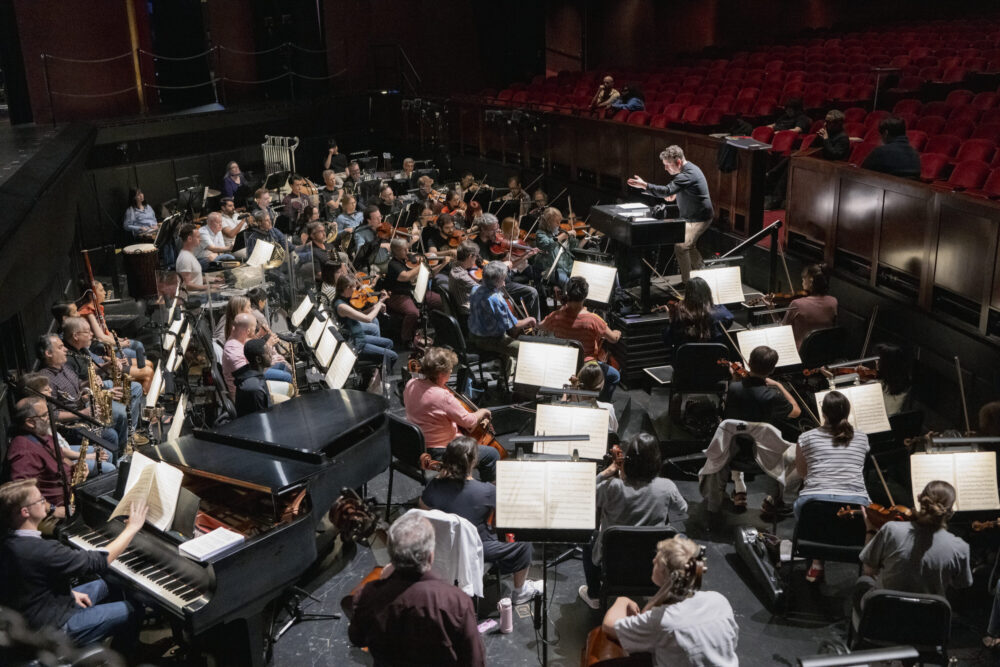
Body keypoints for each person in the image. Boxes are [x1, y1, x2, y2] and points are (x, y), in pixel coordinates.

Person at [0, 478, 147, 652]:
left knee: (110, 583)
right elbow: (97, 561)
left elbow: (28, 582)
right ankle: (127, 654)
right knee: (134, 609)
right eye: (40, 500)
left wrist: (68, 592)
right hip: (52, 627)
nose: (45, 503)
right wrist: (131, 529)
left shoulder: (8, 541)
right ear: (25, 512)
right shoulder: (42, 550)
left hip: (36, 612)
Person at [348, 512, 485, 667]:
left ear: (391, 554)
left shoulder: (369, 595)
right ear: (431, 555)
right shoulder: (455, 601)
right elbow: (474, 660)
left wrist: (381, 583)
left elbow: (357, 638)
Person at [420, 437, 543, 604]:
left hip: (442, 546)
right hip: (475, 547)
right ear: (473, 461)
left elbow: (423, 508)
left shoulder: (433, 485)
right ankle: (521, 591)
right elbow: (507, 517)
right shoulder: (486, 491)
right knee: (521, 538)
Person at [580, 432, 687, 609]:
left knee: (589, 538)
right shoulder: (667, 487)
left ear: (628, 459)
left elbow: (584, 492)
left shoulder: (611, 487)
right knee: (681, 538)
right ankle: (672, 593)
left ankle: (594, 595)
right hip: (651, 562)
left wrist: (608, 472)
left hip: (613, 563)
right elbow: (683, 509)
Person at [601, 535, 738, 666]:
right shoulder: (719, 600)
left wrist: (622, 599)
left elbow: (608, 626)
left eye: (657, 559)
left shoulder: (662, 620)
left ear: (663, 573)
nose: (653, 560)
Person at [856, 480, 971, 616]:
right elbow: (962, 583)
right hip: (927, 622)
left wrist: (870, 530)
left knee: (864, 582)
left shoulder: (891, 529)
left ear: (920, 500)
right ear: (950, 512)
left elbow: (869, 569)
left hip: (884, 616)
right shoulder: (960, 547)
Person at [713, 345, 802, 514]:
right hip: (763, 456)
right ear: (772, 369)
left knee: (739, 429)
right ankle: (777, 499)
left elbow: (738, 396)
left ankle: (739, 487)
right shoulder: (772, 397)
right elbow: (796, 411)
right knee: (803, 453)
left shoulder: (732, 388)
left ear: (748, 362)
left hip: (734, 450)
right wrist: (778, 385)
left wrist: (736, 379)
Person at [795, 390, 871, 582]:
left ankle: (817, 560)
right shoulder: (862, 438)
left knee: (815, 513)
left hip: (813, 504)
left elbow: (802, 474)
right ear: (847, 412)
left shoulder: (806, 438)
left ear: (824, 414)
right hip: (856, 505)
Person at [403, 347, 500, 482]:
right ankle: (484, 492)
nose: (450, 373)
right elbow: (469, 421)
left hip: (416, 448)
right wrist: (482, 411)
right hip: (439, 453)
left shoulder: (411, 383)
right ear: (441, 374)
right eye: (450, 371)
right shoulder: (442, 396)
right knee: (492, 454)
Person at [628, 146, 714, 283]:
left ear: (678, 162)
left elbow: (667, 190)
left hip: (699, 218)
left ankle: (688, 284)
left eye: (668, 165)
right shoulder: (688, 170)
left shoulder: (688, 174)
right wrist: (675, 192)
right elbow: (679, 188)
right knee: (689, 246)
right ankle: (702, 274)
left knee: (681, 247)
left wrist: (644, 185)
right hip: (691, 216)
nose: (666, 168)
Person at [36, 334, 122, 457]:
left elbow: (79, 385)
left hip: (83, 412)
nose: (66, 349)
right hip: (71, 427)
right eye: (60, 347)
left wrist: (95, 385)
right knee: (111, 435)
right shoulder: (45, 379)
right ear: (48, 353)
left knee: (118, 418)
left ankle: (120, 458)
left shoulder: (65, 367)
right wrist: (84, 413)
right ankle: (115, 470)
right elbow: (52, 414)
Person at [540, 276, 622, 400]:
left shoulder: (555, 316)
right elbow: (613, 339)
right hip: (586, 367)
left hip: (563, 363)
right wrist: (617, 332)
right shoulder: (593, 319)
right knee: (615, 376)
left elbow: (541, 327)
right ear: (585, 296)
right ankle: (601, 403)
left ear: (568, 294)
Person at [76, 279, 154, 393]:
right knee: (147, 369)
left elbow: (106, 332)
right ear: (91, 294)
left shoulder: (98, 309)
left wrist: (119, 340)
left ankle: (140, 385)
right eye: (101, 290)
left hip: (108, 355)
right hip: (103, 354)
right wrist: (120, 346)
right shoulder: (88, 312)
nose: (104, 293)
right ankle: (142, 395)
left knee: (149, 363)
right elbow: (101, 338)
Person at [6, 398, 76, 516]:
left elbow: (61, 459)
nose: (49, 417)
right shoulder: (24, 451)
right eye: (45, 415)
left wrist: (75, 467)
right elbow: (22, 491)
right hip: (53, 511)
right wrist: (53, 509)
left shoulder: (42, 434)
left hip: (70, 496)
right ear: (30, 422)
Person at [468, 261, 536, 378]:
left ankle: (506, 374)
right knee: (526, 350)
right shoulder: (496, 300)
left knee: (508, 351)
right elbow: (513, 325)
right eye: (503, 279)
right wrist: (529, 319)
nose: (504, 283)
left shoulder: (475, 289)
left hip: (473, 334)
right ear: (497, 281)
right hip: (489, 340)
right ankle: (522, 380)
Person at [472, 213, 540, 318]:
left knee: (533, 292)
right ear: (483, 230)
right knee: (531, 292)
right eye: (493, 230)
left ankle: (534, 326)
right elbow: (482, 273)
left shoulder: (496, 243)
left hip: (506, 281)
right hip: (495, 286)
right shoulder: (475, 247)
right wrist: (501, 265)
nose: (498, 232)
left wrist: (526, 256)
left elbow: (510, 265)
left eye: (497, 228)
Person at [384, 237, 444, 347]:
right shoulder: (393, 264)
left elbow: (429, 274)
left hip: (418, 291)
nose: (408, 252)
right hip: (399, 295)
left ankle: (442, 332)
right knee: (413, 312)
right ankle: (406, 339)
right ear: (396, 251)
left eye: (408, 248)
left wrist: (443, 264)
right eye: (404, 250)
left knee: (441, 301)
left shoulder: (411, 258)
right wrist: (422, 266)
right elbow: (405, 276)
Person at [332, 274, 398, 369]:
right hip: (356, 344)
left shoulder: (344, 300)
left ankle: (378, 366)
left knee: (389, 343)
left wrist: (379, 303)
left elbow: (362, 314)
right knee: (393, 356)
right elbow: (368, 319)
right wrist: (379, 304)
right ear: (347, 288)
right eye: (354, 287)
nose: (356, 289)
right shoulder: (341, 306)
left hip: (359, 337)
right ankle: (380, 376)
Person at [222, 313, 292, 396]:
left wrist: (259, 334)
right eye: (254, 329)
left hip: (254, 380)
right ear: (248, 331)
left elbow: (251, 348)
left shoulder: (239, 337)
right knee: (287, 378)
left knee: (282, 366)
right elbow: (248, 374)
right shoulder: (232, 349)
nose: (255, 331)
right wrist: (268, 350)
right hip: (247, 392)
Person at [662, 276, 734, 347]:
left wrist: (671, 320)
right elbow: (730, 319)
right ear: (708, 293)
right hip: (713, 358)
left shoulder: (679, 314)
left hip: (686, 358)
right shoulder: (720, 313)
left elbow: (668, 341)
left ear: (687, 294)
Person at [783, 264, 837, 349]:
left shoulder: (797, 304)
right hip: (822, 350)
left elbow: (783, 329)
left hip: (799, 352)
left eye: (804, 278)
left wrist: (771, 309)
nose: (802, 280)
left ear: (811, 281)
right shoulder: (833, 302)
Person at [534, 206, 586, 289]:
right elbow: (548, 245)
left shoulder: (558, 233)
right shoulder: (540, 234)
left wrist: (572, 239)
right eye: (556, 222)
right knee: (571, 285)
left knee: (583, 280)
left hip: (566, 267)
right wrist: (563, 236)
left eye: (560, 221)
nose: (559, 225)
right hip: (549, 270)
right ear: (548, 222)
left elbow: (573, 248)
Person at [176, 223, 223, 294]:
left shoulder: (190, 254)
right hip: (194, 299)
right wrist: (209, 286)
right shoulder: (184, 258)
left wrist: (213, 279)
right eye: (198, 237)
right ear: (189, 239)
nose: (200, 239)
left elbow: (195, 278)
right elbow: (186, 284)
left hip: (199, 295)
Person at [233, 338, 272, 417]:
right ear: (258, 359)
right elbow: (262, 418)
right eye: (268, 353)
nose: (271, 355)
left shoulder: (252, 373)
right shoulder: (255, 389)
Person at [875, 343, 913, 415]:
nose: (876, 362)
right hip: (895, 422)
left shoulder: (877, 386)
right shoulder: (906, 385)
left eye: (879, 360)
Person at [448, 241, 480, 314]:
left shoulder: (454, 265)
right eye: (476, 256)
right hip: (467, 314)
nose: (476, 259)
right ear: (470, 256)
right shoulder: (461, 277)